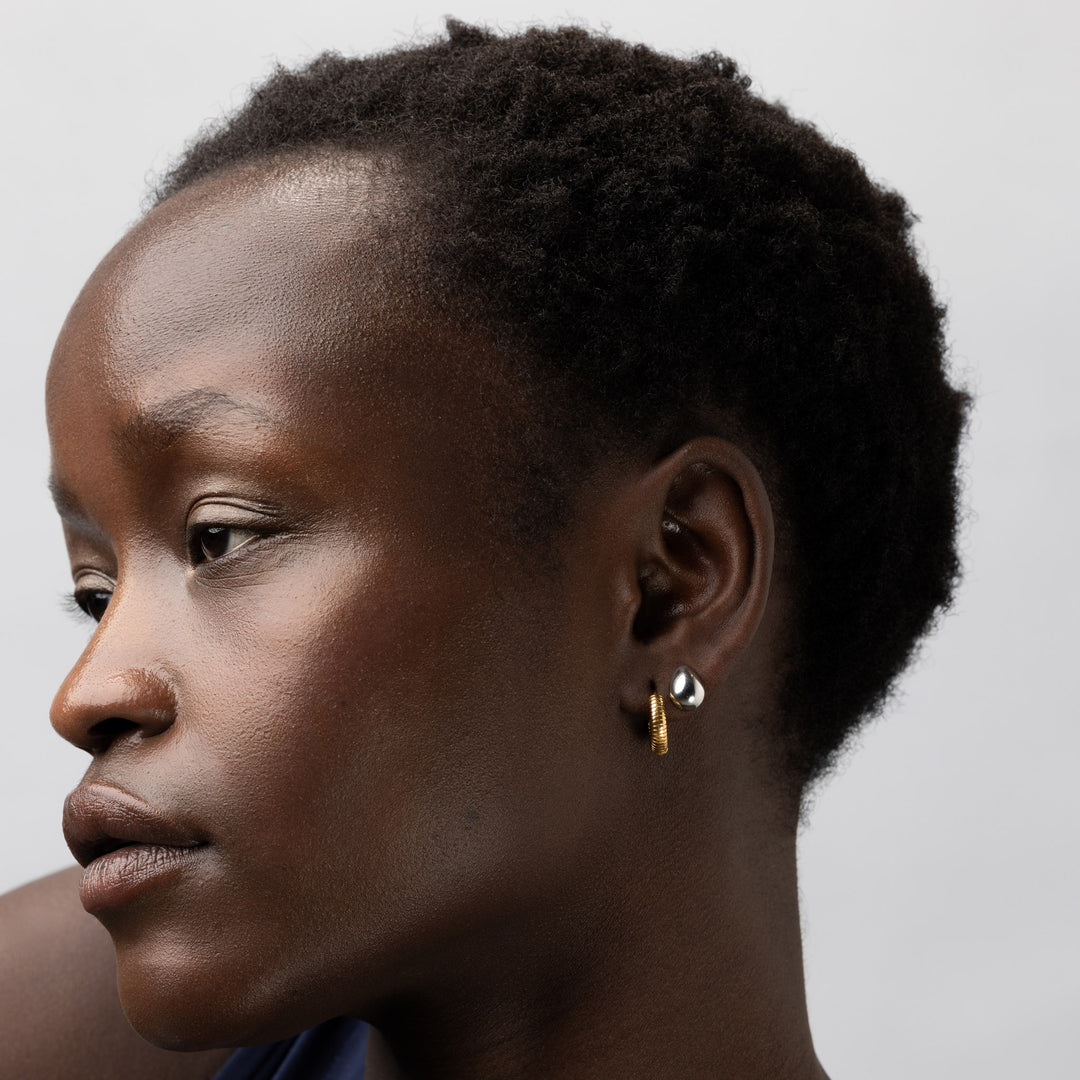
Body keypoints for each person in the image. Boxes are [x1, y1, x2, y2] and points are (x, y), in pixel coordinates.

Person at [0, 20, 968, 1080]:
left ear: (671, 578)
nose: (86, 695)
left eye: (218, 538)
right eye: (96, 591)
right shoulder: (52, 1027)